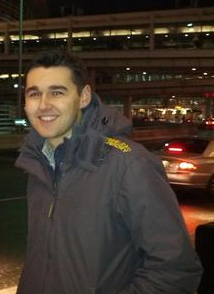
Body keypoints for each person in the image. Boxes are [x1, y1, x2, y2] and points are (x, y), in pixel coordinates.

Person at [15, 51, 202, 294]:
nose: (43, 105)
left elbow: (175, 270)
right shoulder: (39, 163)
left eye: (57, 92)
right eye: (34, 94)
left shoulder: (130, 164)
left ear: (83, 97)